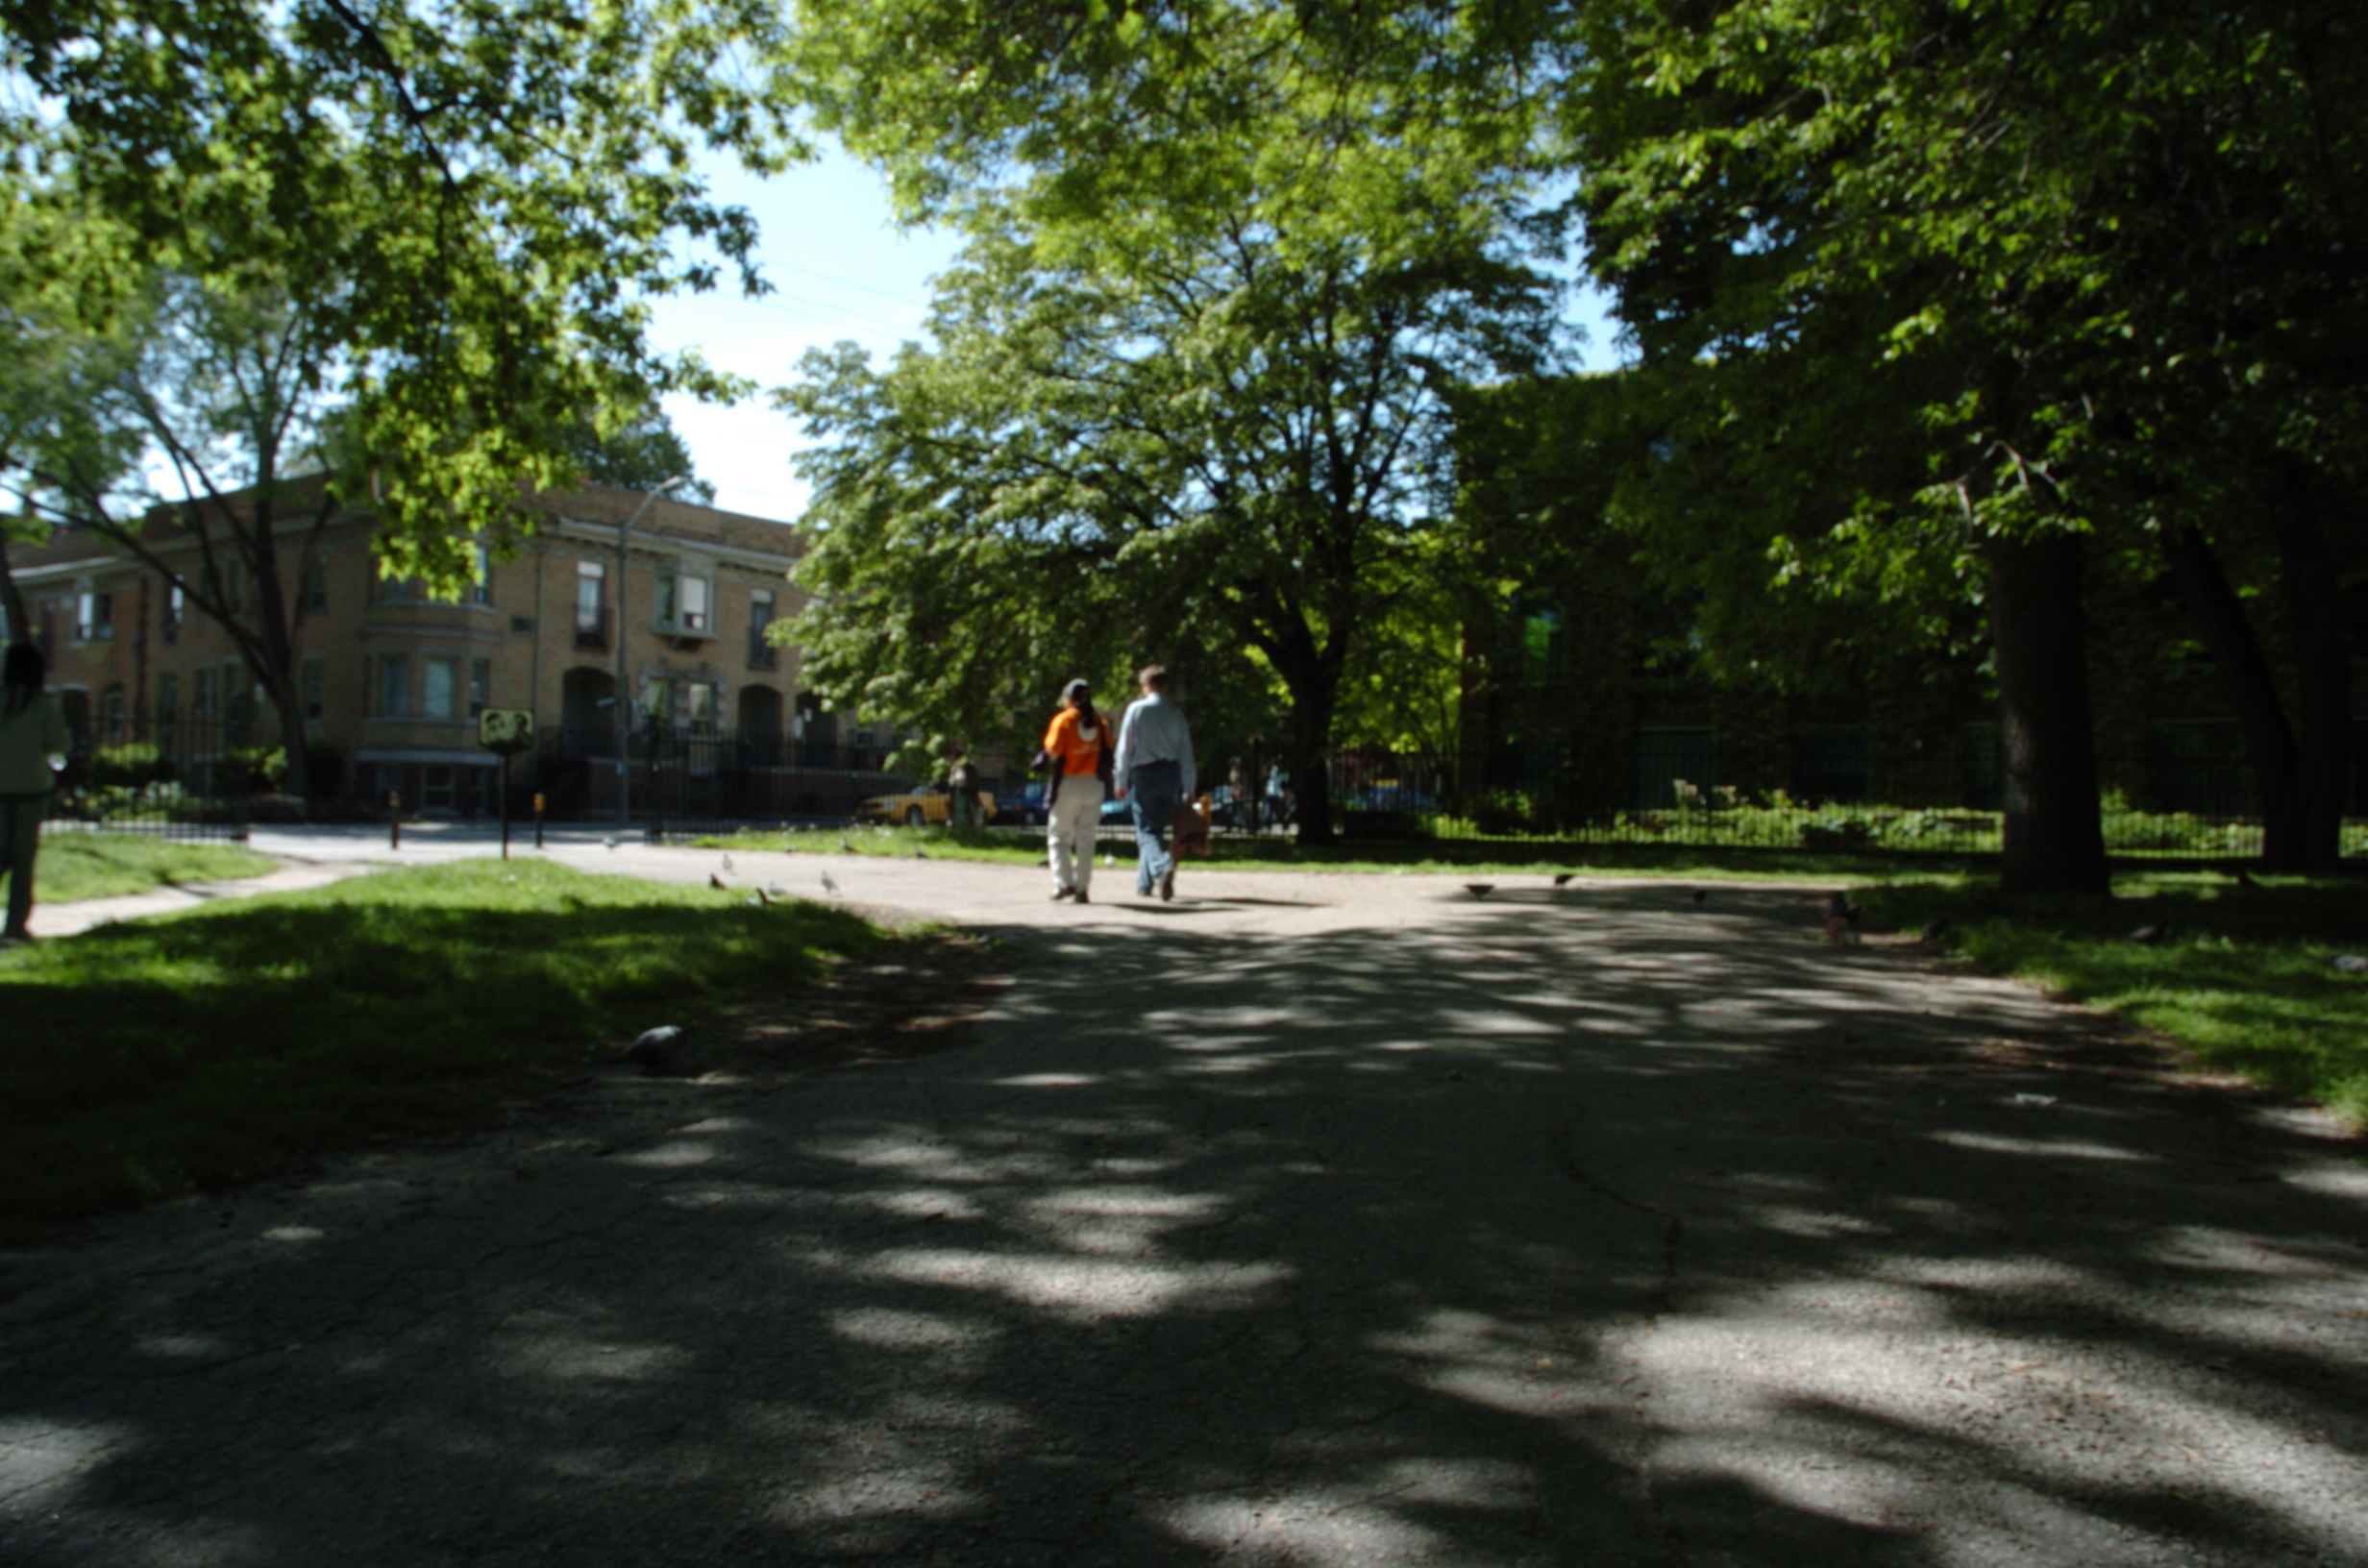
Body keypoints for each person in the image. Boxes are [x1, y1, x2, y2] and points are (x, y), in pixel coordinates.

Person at [0, 644, 71, 944]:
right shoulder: (42, 705)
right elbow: (59, 745)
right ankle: (15, 926)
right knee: (23, 859)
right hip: (32, 788)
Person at [1114, 664, 1196, 902]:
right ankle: (1144, 883)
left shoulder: (1137, 709)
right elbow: (1186, 752)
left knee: (1146, 829)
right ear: (1166, 686)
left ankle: (1161, 866)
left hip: (1146, 772)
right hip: (1170, 773)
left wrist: (1120, 779)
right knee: (1155, 828)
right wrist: (1189, 787)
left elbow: (1124, 748)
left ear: (1147, 685)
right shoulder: (1176, 714)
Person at [1041, 679, 1111, 902]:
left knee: (1059, 836)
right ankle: (1082, 889)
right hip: (1094, 784)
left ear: (1069, 699)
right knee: (1086, 838)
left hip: (1069, 783)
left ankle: (1064, 883)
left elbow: (1053, 752)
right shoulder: (1100, 722)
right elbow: (1108, 751)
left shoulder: (1064, 720)